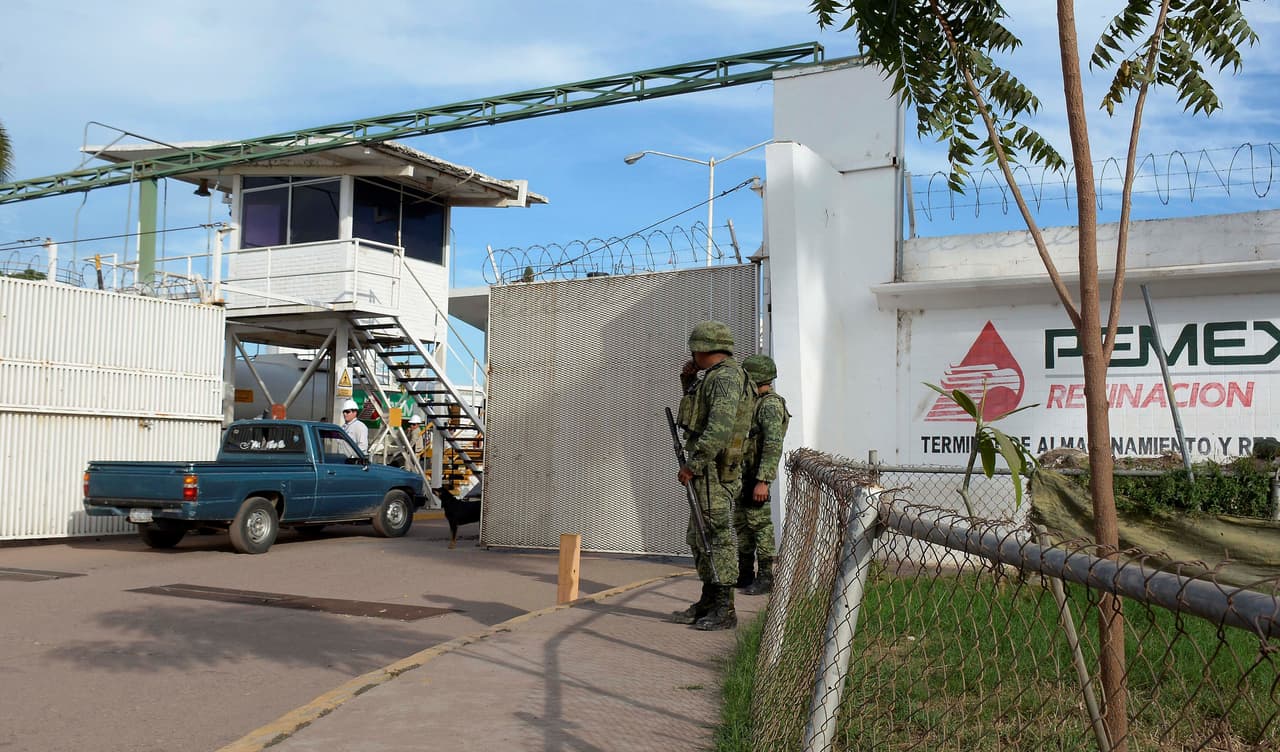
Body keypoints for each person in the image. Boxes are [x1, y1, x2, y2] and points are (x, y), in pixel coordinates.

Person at [670, 320, 755, 631]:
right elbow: (698, 414)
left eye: (694, 350)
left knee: (715, 538)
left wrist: (694, 464)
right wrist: (688, 381)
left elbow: (717, 428)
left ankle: (724, 607)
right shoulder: (715, 377)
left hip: (713, 471)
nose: (692, 354)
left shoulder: (725, 379)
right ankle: (709, 599)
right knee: (700, 538)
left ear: (706, 349)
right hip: (708, 471)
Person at [735, 354, 791, 596]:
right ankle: (745, 573)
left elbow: (772, 444)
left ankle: (766, 576)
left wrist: (763, 481)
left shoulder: (769, 405)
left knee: (760, 526)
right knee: (743, 524)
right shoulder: (753, 402)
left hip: (756, 476)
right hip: (744, 474)